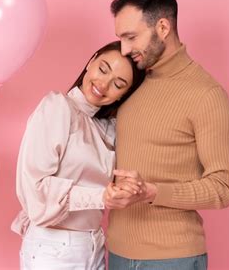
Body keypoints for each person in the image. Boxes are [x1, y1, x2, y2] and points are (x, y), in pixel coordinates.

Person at [104, 0, 229, 269]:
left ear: (162, 27)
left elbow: (222, 188)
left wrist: (152, 192)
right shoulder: (132, 83)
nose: (124, 50)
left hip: (172, 258)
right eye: (120, 39)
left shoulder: (206, 95)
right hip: (116, 252)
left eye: (131, 37)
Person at [11, 41, 145, 269]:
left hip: (93, 245)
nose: (103, 85)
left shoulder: (109, 129)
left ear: (124, 95)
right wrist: (102, 196)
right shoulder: (57, 108)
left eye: (118, 84)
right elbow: (36, 190)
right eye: (103, 69)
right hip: (53, 248)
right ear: (91, 61)